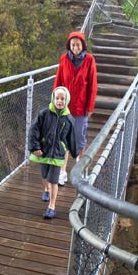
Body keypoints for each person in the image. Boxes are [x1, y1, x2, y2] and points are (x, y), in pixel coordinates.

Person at [28, 86, 79, 219]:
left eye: (62, 99)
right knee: (45, 176)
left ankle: (52, 206)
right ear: (53, 98)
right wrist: (35, 147)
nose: (59, 101)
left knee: (53, 180)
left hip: (58, 154)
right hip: (43, 151)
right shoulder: (43, 114)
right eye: (57, 98)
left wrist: (75, 152)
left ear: (66, 100)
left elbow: (72, 137)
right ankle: (46, 189)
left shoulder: (69, 119)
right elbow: (34, 131)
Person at [53, 30, 97, 184]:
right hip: (65, 107)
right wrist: (55, 102)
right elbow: (58, 81)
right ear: (69, 45)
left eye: (78, 44)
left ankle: (80, 170)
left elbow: (92, 85)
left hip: (81, 107)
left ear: (83, 45)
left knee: (79, 139)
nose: (75, 47)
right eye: (73, 44)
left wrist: (90, 106)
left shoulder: (90, 60)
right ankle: (62, 173)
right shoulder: (64, 59)